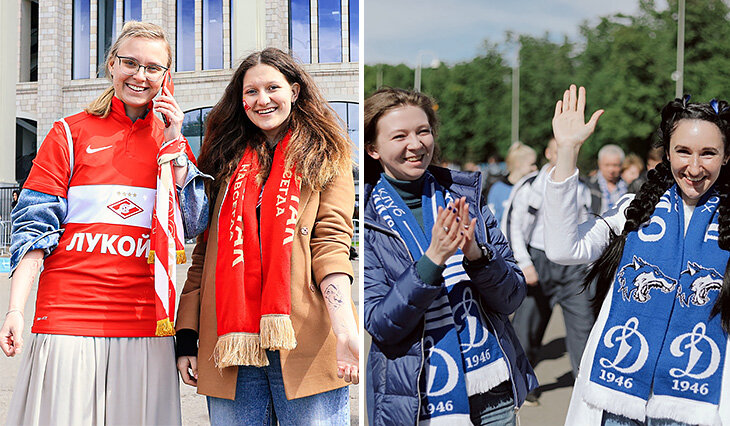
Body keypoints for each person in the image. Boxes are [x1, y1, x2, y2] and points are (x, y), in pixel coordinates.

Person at [2, 21, 208, 425]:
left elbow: (192, 226)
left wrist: (176, 145)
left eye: (153, 67)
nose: (140, 75)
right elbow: (33, 233)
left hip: (146, 324)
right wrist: (14, 310)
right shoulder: (67, 133)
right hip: (68, 318)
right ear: (111, 65)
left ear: (167, 78)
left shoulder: (174, 145)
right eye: (130, 63)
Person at [174, 47, 359, 425]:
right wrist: (188, 336)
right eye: (251, 92)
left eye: (272, 88)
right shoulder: (223, 158)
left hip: (302, 335)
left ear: (294, 90)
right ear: (240, 99)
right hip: (230, 342)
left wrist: (345, 330)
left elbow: (331, 244)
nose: (262, 100)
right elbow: (205, 252)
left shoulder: (327, 154)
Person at [544, 85, 730, 425]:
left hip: (699, 409)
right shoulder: (635, 210)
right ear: (667, 154)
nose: (694, 166)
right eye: (683, 151)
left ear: (726, 157)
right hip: (615, 402)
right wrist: (568, 151)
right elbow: (563, 248)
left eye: (708, 153)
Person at [364, 87, 537, 425]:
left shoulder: (465, 199)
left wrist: (477, 256)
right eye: (399, 136)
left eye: (422, 131)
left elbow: (513, 297)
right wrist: (431, 262)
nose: (415, 145)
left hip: (494, 392)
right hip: (420, 400)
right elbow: (382, 326)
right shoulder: (369, 219)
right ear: (373, 149)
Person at [504, 137, 595, 405]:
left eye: (572, 150)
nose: (567, 155)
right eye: (560, 151)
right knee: (526, 329)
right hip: (538, 260)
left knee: (583, 327)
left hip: (572, 267)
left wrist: (589, 265)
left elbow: (587, 224)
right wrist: (524, 263)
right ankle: (521, 386)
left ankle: (585, 390)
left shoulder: (581, 187)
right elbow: (512, 225)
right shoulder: (530, 185)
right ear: (548, 153)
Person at [486, 141, 537, 225]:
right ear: (518, 163)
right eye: (532, 164)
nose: (535, 168)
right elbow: (492, 221)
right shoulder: (498, 189)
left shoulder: (532, 187)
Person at [587, 144, 628, 213]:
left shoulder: (629, 187)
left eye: (615, 165)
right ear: (599, 164)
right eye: (607, 165)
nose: (611, 170)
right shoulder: (589, 186)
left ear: (621, 165)